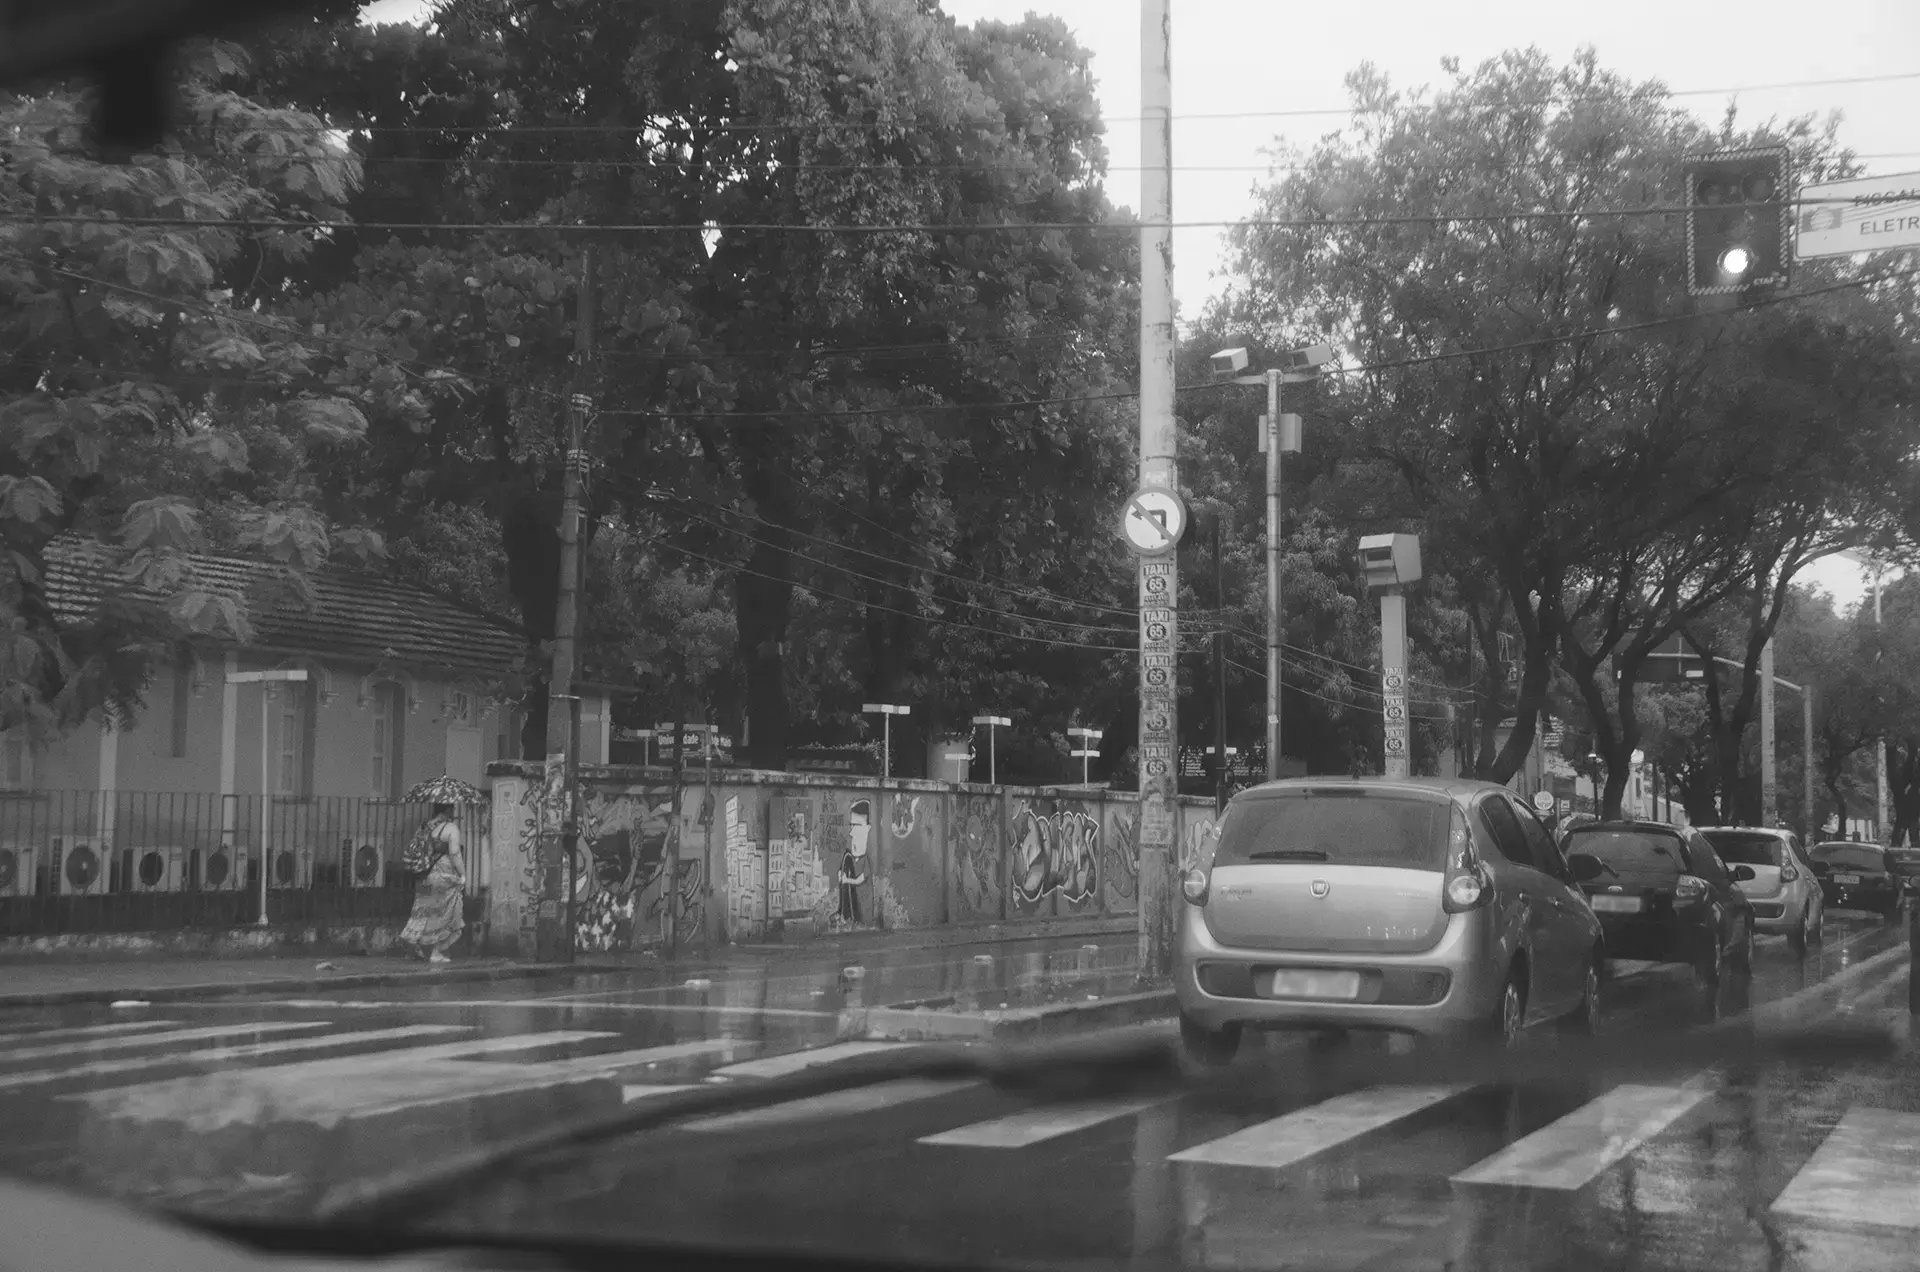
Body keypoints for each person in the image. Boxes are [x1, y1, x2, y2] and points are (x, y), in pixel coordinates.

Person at [399, 802, 466, 963]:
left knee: (421, 911)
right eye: (452, 809)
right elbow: (455, 853)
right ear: (449, 810)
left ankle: (411, 945)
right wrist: (462, 875)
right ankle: (436, 952)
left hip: (424, 874)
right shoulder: (450, 828)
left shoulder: (425, 826)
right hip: (443, 875)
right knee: (444, 913)